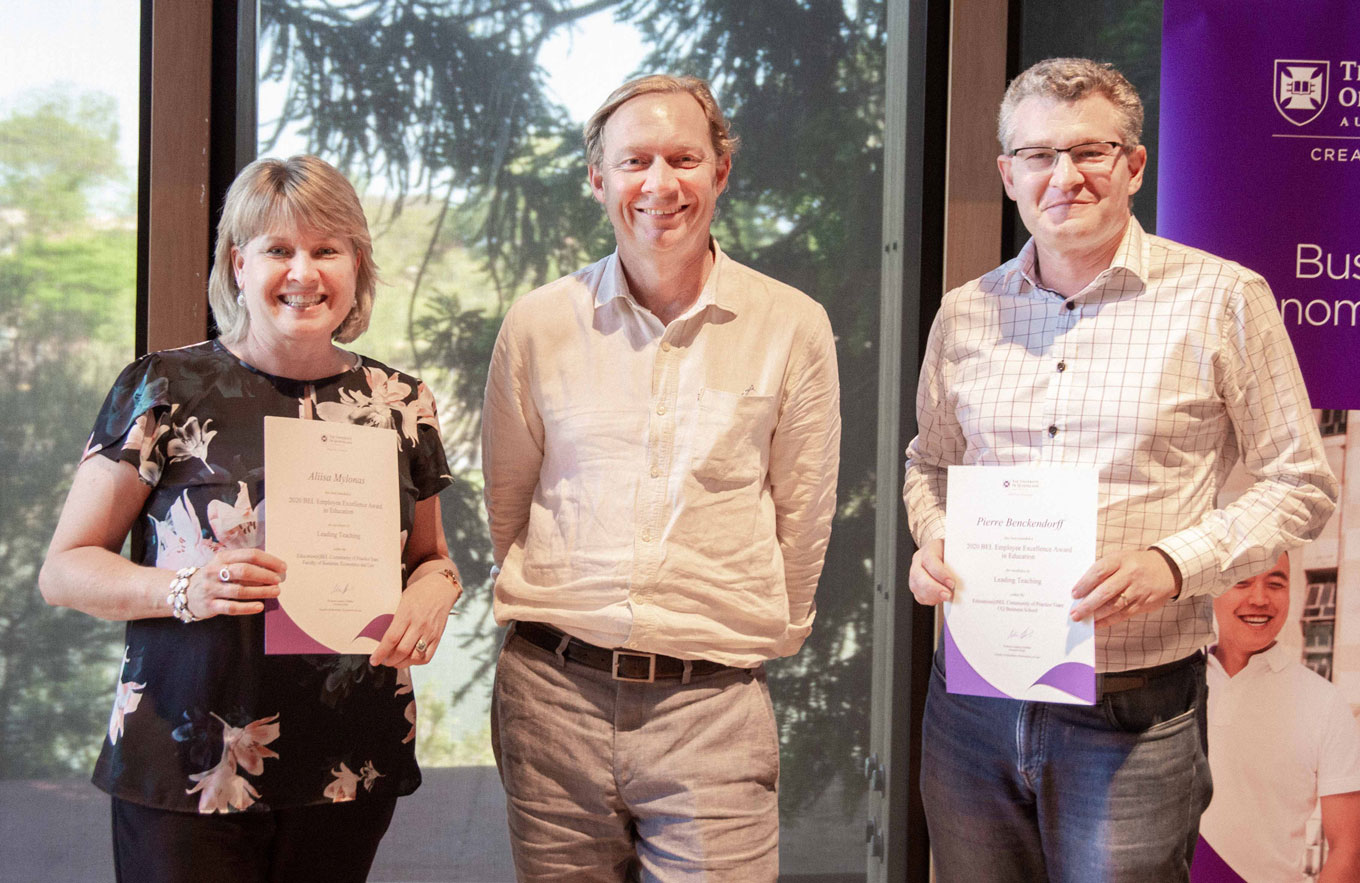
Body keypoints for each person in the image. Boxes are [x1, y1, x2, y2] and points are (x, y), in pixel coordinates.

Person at [902, 57, 1338, 881]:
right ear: (1008, 173)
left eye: (1089, 152)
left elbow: (1301, 480)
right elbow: (929, 465)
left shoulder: (1223, 299)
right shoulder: (964, 313)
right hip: (972, 704)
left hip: (1133, 708)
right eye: (1037, 155)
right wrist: (932, 540)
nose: (1063, 176)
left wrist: (1174, 565)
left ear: (1134, 165)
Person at [38, 155, 461, 883]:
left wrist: (436, 586)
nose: (304, 271)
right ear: (239, 264)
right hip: (188, 757)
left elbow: (430, 556)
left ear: (357, 263)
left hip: (346, 757)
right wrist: (181, 590)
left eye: (327, 249)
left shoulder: (401, 401)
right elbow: (65, 568)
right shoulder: (162, 386)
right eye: (278, 250)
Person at [482, 74, 840, 880]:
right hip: (552, 699)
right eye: (634, 160)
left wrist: (740, 638)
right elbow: (509, 504)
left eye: (683, 158)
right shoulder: (538, 324)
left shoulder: (791, 325)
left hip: (711, 707)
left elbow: (804, 511)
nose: (659, 184)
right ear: (598, 178)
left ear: (720, 171)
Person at [1192, 552, 1360, 883]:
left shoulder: (1325, 703)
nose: (1259, 598)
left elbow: (1348, 851)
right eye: (1242, 581)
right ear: (1213, 588)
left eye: (1275, 583)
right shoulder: (1176, 686)